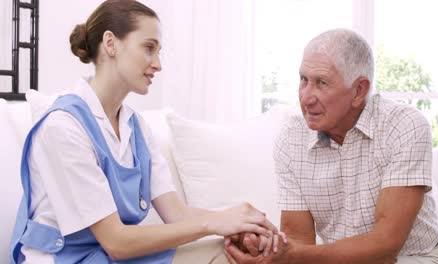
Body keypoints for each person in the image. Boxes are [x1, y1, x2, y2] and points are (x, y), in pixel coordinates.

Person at [9, 0, 280, 263]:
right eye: (149, 48)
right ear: (111, 44)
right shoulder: (63, 127)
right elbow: (116, 242)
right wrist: (214, 223)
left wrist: (239, 224)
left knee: (227, 254)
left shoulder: (135, 128)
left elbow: (176, 214)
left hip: (111, 257)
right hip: (65, 259)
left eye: (158, 51)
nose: (158, 64)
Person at [224, 28, 438, 264]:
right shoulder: (292, 137)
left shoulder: (404, 125)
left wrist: (290, 255)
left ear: (358, 91)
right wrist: (267, 250)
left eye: (321, 83)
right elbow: (299, 239)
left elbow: (386, 245)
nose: (306, 97)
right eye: (303, 80)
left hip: (412, 258)